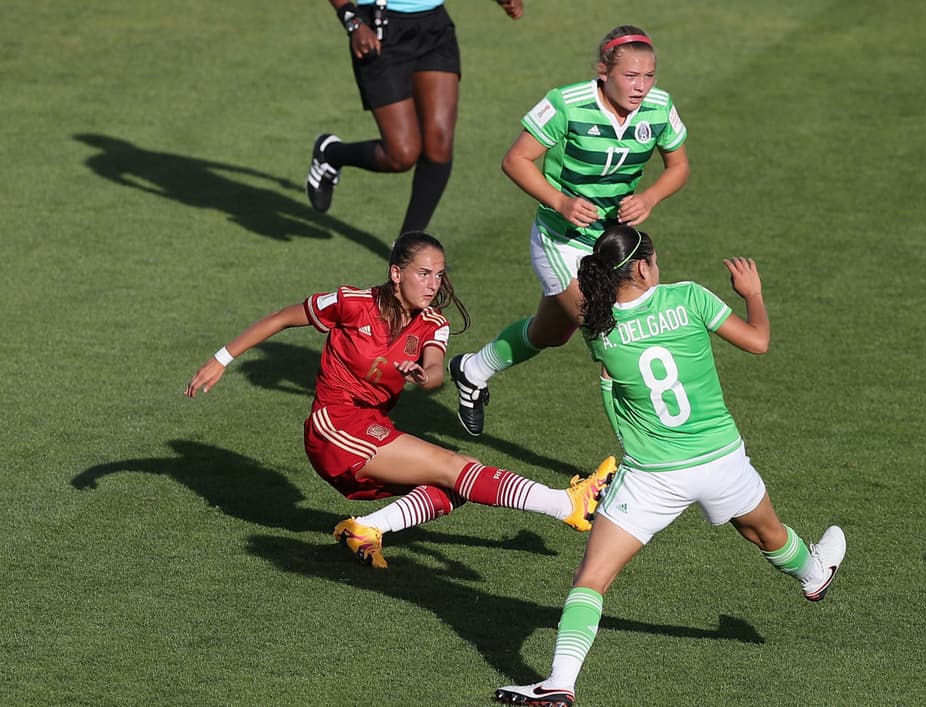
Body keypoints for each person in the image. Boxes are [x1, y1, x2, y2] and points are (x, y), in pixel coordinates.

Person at [493, 225, 846, 706]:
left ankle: (560, 682)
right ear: (642, 267)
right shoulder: (690, 298)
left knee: (593, 578)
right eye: (655, 259)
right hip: (721, 459)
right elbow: (759, 342)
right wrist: (753, 294)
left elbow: (612, 388)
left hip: (653, 476)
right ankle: (812, 573)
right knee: (766, 533)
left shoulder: (600, 329)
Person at [185, 231, 614, 568]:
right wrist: (222, 358)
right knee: (457, 468)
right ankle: (565, 504)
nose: (433, 284)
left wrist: (422, 375)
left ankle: (367, 529)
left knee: (455, 486)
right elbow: (283, 317)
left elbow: (431, 372)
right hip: (334, 428)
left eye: (439, 274)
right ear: (396, 274)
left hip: (372, 428)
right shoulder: (353, 303)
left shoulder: (434, 324)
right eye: (423, 273)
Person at [448, 25, 690, 436]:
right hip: (560, 241)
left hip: (609, 245)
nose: (641, 87)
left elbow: (679, 166)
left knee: (551, 334)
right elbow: (516, 160)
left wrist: (649, 198)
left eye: (649, 76)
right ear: (603, 71)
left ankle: (472, 370)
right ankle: (647, 451)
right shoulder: (567, 103)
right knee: (609, 337)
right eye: (631, 76)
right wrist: (560, 202)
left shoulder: (660, 108)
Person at [306, 0, 525, 235]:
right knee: (401, 155)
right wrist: (353, 22)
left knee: (439, 144)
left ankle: (405, 249)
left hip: (434, 28)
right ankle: (331, 154)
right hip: (380, 32)